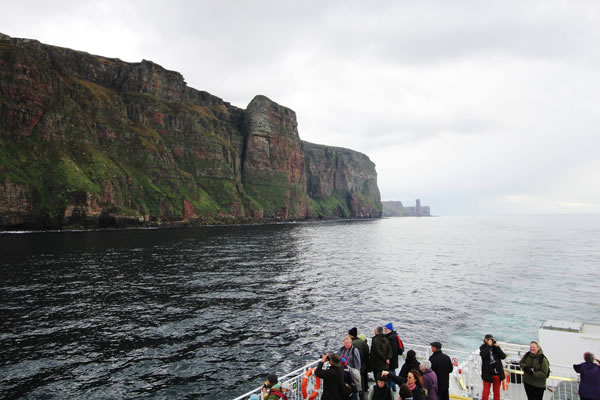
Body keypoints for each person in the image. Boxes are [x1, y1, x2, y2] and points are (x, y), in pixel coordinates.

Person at [479, 334, 506, 400]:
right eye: (488, 339)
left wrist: (498, 347)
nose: (490, 341)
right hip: (487, 373)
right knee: (486, 392)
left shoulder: (495, 347)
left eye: (491, 339)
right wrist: (488, 346)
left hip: (497, 373)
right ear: (485, 340)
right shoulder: (483, 347)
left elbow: (503, 356)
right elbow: (483, 355)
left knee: (496, 392)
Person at [349, 327, 370, 396]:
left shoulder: (351, 344)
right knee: (363, 380)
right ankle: (363, 392)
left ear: (351, 335)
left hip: (355, 366)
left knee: (356, 381)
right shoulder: (363, 343)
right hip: (363, 366)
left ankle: (358, 394)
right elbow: (367, 355)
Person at [384, 323, 401, 391]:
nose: (384, 330)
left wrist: (388, 358)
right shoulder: (393, 336)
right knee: (392, 373)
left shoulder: (391, 338)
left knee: (391, 374)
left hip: (391, 360)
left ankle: (392, 389)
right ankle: (393, 388)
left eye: (386, 329)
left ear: (389, 329)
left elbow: (393, 350)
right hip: (393, 360)